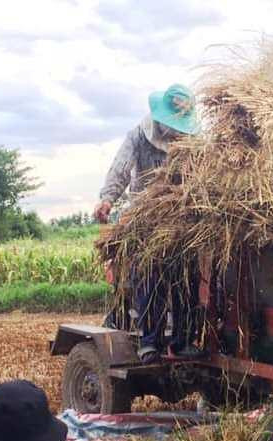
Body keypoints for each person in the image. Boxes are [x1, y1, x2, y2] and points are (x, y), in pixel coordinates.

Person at [94, 83, 202, 364]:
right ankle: (149, 342)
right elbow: (120, 169)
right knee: (150, 278)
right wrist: (107, 200)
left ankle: (182, 341)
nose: (175, 132)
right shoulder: (139, 136)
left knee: (186, 280)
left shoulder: (193, 142)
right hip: (147, 219)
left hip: (181, 220)